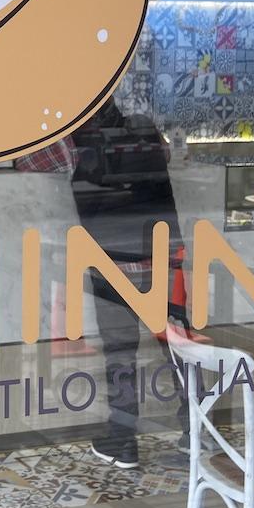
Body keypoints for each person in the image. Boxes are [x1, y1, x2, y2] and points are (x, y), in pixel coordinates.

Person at [19, 97, 188, 469]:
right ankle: (196, 433)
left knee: (120, 353)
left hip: (113, 261)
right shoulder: (145, 127)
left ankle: (123, 441)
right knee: (178, 348)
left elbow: (25, 163)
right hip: (165, 254)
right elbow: (168, 155)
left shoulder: (67, 144)